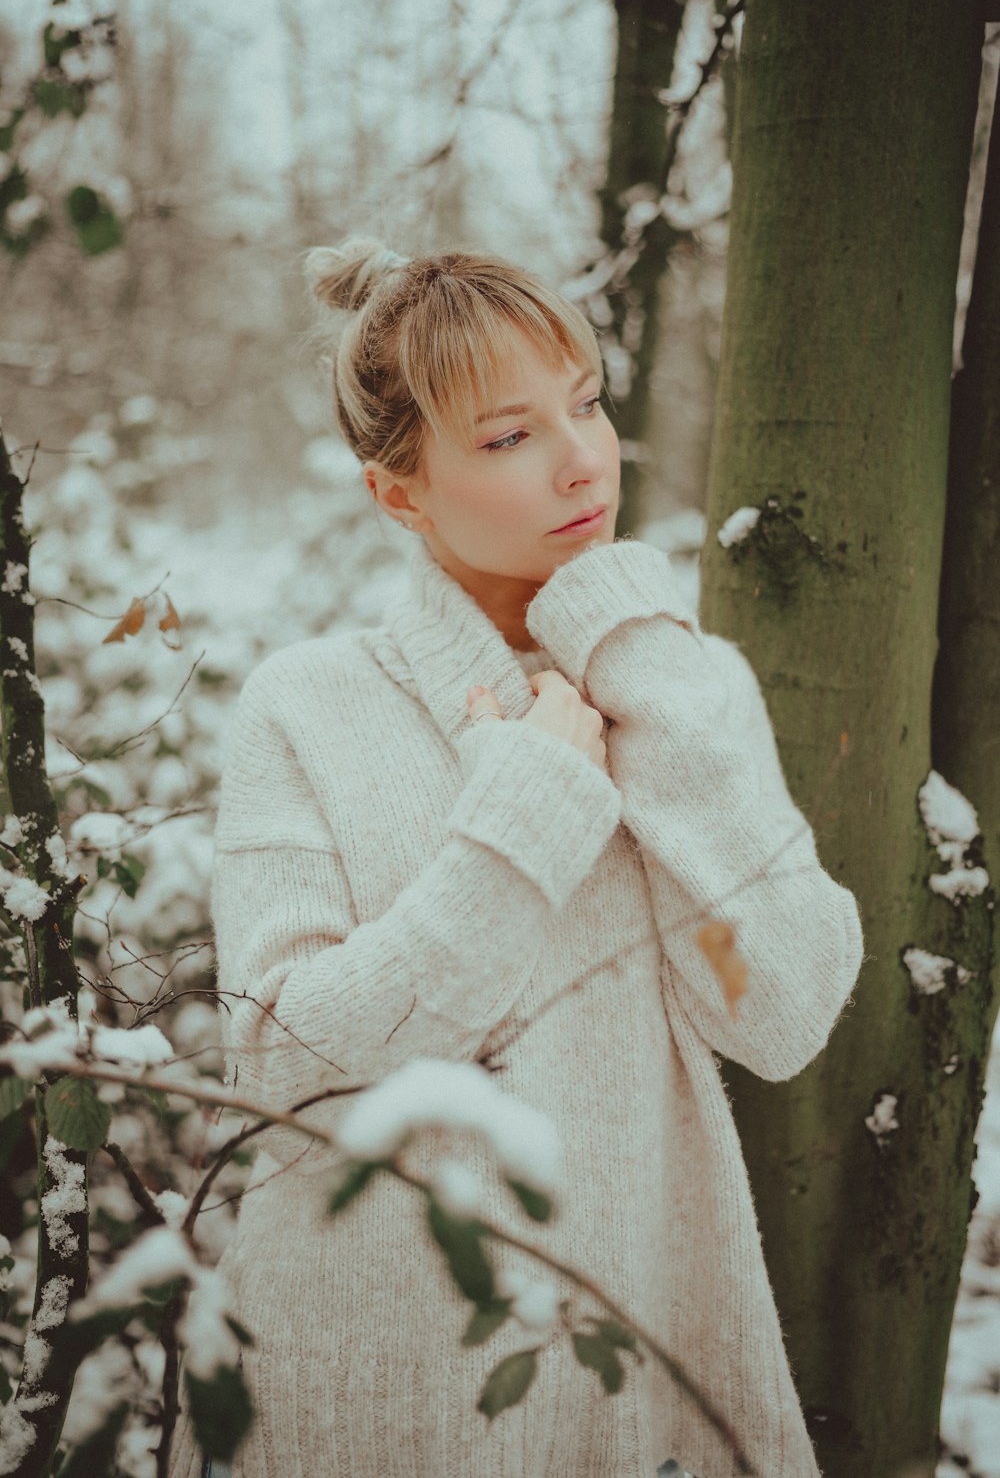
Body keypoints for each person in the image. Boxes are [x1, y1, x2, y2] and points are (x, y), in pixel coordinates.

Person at [169, 242, 863, 1478]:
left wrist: (642, 665)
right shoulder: (307, 707)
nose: (581, 455)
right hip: (368, 1375)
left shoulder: (687, 692)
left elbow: (780, 1010)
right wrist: (526, 816)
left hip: (623, 1345)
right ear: (399, 493)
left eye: (584, 401)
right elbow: (286, 1081)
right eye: (506, 438)